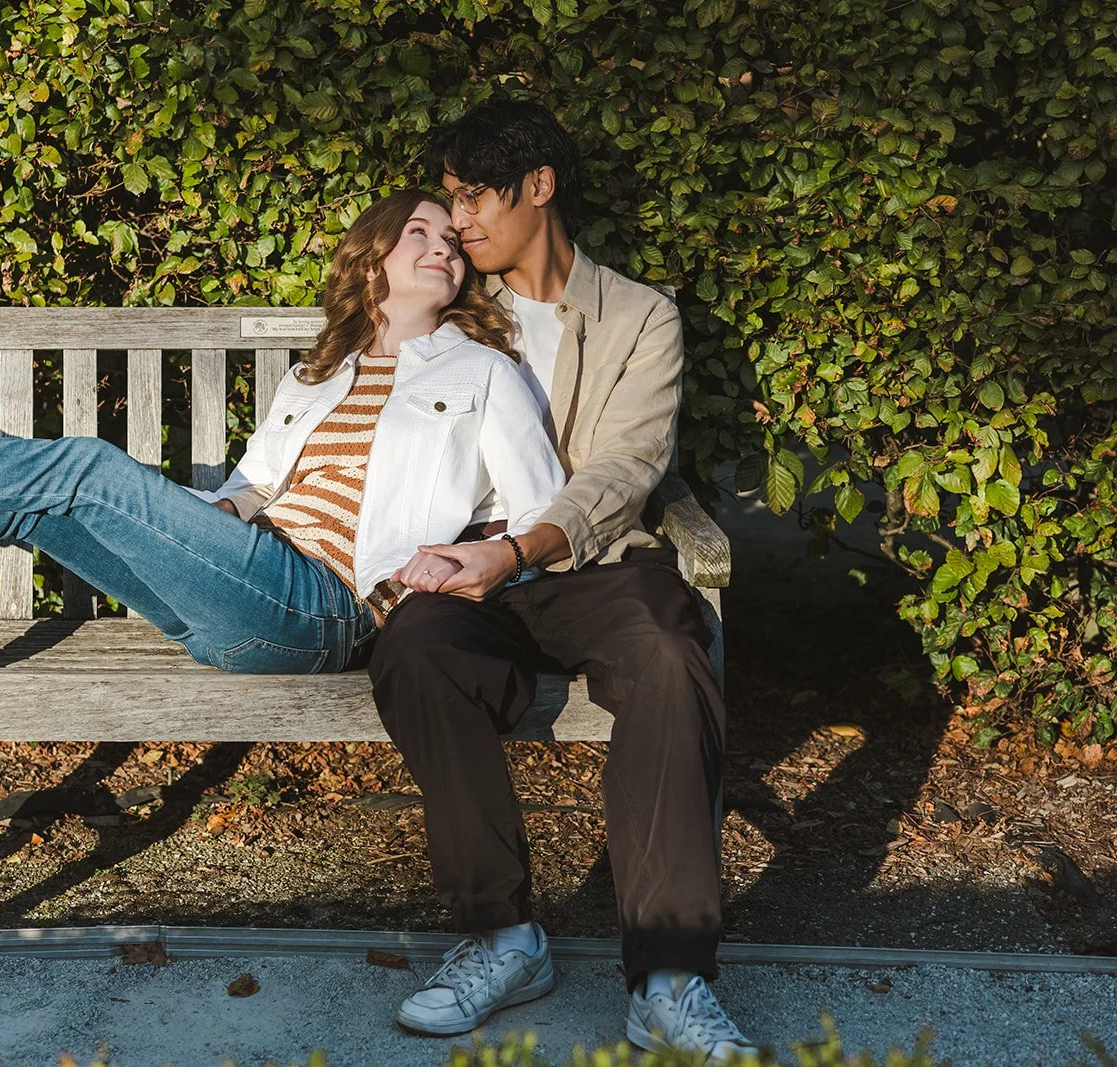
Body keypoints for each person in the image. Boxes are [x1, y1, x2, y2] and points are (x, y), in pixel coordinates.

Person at [0, 189, 564, 693]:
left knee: (84, 469)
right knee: (38, 505)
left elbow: (542, 514)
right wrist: (193, 518)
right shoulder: (318, 372)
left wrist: (479, 560)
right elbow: (251, 488)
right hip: (236, 588)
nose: (443, 247)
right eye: (420, 232)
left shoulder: (484, 371)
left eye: (453, 242)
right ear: (373, 260)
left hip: (327, 609)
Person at [373, 103, 758, 1059]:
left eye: (472, 196)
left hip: (591, 564)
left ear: (537, 186)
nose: (456, 221)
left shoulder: (639, 315)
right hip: (464, 571)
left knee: (672, 655)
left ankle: (669, 976)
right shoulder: (454, 302)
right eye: (449, 198)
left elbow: (628, 468)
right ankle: (502, 936)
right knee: (414, 647)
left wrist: (520, 549)